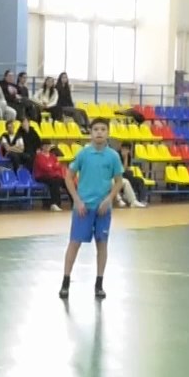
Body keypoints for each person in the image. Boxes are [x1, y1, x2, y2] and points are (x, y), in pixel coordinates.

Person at [58, 119, 125, 301]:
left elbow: (119, 181)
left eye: (103, 129)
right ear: (90, 133)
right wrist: (77, 200)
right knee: (74, 243)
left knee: (102, 244)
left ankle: (99, 283)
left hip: (103, 209)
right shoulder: (83, 154)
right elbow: (68, 177)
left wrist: (109, 199)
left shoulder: (113, 156)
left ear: (108, 133)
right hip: (83, 208)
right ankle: (65, 281)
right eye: (96, 129)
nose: (99, 132)